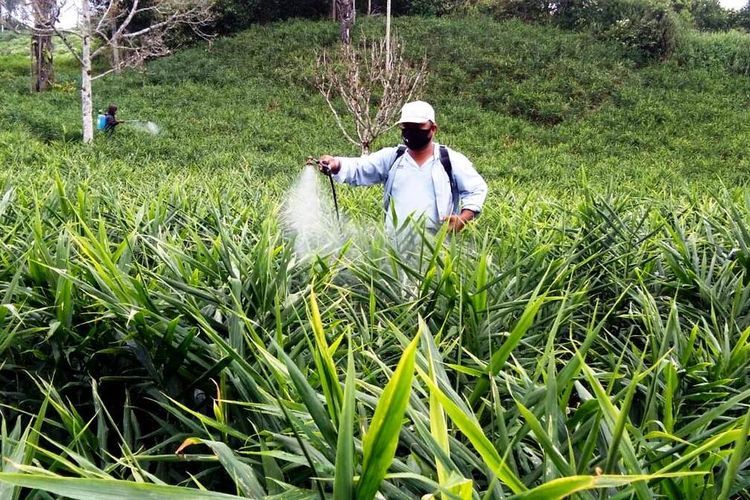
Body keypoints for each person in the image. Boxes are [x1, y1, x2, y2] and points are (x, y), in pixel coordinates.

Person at [318, 100, 487, 234]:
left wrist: (463, 218)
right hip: (395, 246)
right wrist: (335, 164)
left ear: (433, 129)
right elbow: (359, 167)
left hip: (438, 247)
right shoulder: (392, 157)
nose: (411, 132)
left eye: (418, 127)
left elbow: (476, 189)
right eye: (407, 127)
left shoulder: (449, 160)